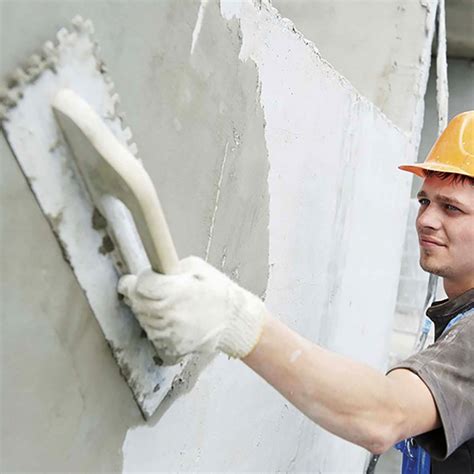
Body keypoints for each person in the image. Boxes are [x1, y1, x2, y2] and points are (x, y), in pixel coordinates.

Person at [118, 111, 474, 473]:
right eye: (425, 201)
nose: (427, 219)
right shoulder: (456, 318)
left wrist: (237, 320)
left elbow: (383, 416)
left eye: (452, 208)